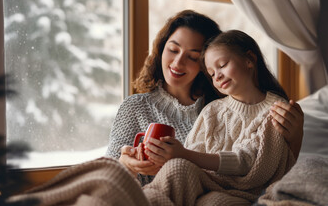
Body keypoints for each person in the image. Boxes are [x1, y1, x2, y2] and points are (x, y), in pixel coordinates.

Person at [105, 10, 304, 186]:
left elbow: (268, 166)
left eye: (192, 57)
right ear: (161, 49)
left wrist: (295, 137)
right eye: (173, 50)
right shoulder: (135, 106)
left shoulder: (220, 108)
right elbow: (109, 173)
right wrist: (127, 165)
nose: (177, 62)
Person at [141, 29, 297, 205]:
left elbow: (246, 161)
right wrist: (176, 155)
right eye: (212, 74)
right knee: (177, 168)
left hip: (241, 193)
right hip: (201, 183)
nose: (218, 76)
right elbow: (192, 154)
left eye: (222, 65)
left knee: (214, 202)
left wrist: (184, 154)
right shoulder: (212, 110)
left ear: (249, 60)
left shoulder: (275, 110)